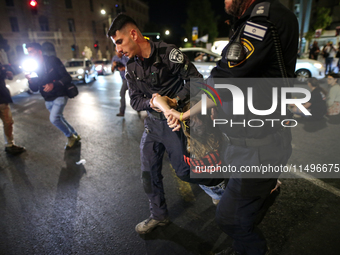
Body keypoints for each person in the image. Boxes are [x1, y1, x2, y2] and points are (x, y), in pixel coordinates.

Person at [167, 0, 298, 254]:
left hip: (258, 148)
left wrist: (185, 112)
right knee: (240, 212)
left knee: (228, 217)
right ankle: (243, 244)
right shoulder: (257, 18)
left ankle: (255, 249)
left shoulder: (262, 19)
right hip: (252, 143)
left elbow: (224, 76)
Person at [107, 14, 203, 234]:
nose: (119, 50)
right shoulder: (131, 66)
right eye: (116, 45)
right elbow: (134, 100)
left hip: (176, 123)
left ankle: (219, 186)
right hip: (152, 125)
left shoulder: (168, 53)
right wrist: (151, 102)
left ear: (133, 34)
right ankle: (158, 216)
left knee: (185, 171)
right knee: (148, 172)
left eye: (119, 42)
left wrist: (175, 101)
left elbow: (196, 80)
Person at [25, 43, 80, 149]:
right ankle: (75, 134)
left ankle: (70, 137)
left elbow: (67, 77)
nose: (29, 54)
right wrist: (31, 81)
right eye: (28, 52)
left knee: (54, 119)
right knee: (60, 118)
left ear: (39, 52)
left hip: (60, 94)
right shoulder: (34, 67)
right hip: (47, 98)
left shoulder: (52, 61)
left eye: (31, 52)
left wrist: (53, 84)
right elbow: (35, 88)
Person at [0, 62, 25, 155]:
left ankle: (10, 145)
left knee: (8, 122)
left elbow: (9, 76)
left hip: (2, 99)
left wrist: (8, 74)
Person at [111, 49, 129, 117]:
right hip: (123, 78)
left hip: (129, 78)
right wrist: (114, 65)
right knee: (132, 93)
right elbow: (112, 70)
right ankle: (138, 108)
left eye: (119, 51)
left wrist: (124, 68)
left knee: (122, 93)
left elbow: (132, 67)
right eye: (116, 51)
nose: (118, 53)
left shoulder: (126, 57)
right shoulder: (115, 58)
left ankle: (122, 111)